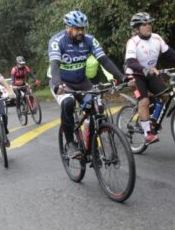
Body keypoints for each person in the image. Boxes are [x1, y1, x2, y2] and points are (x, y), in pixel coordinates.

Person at [48, 10, 126, 158]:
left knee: (96, 104)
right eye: (77, 28)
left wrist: (122, 77)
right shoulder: (57, 41)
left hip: (81, 80)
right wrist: (58, 84)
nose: (80, 32)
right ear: (68, 27)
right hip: (61, 81)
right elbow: (55, 65)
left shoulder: (89, 39)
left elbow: (104, 60)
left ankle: (91, 143)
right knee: (68, 103)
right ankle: (71, 143)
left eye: (83, 28)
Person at [124, 12, 175, 144]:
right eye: (144, 24)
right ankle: (148, 133)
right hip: (135, 74)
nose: (148, 26)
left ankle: (152, 119)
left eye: (149, 23)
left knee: (165, 96)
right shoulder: (133, 42)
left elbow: (171, 54)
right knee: (144, 101)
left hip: (151, 73)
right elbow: (130, 62)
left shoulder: (157, 38)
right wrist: (145, 70)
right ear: (137, 28)